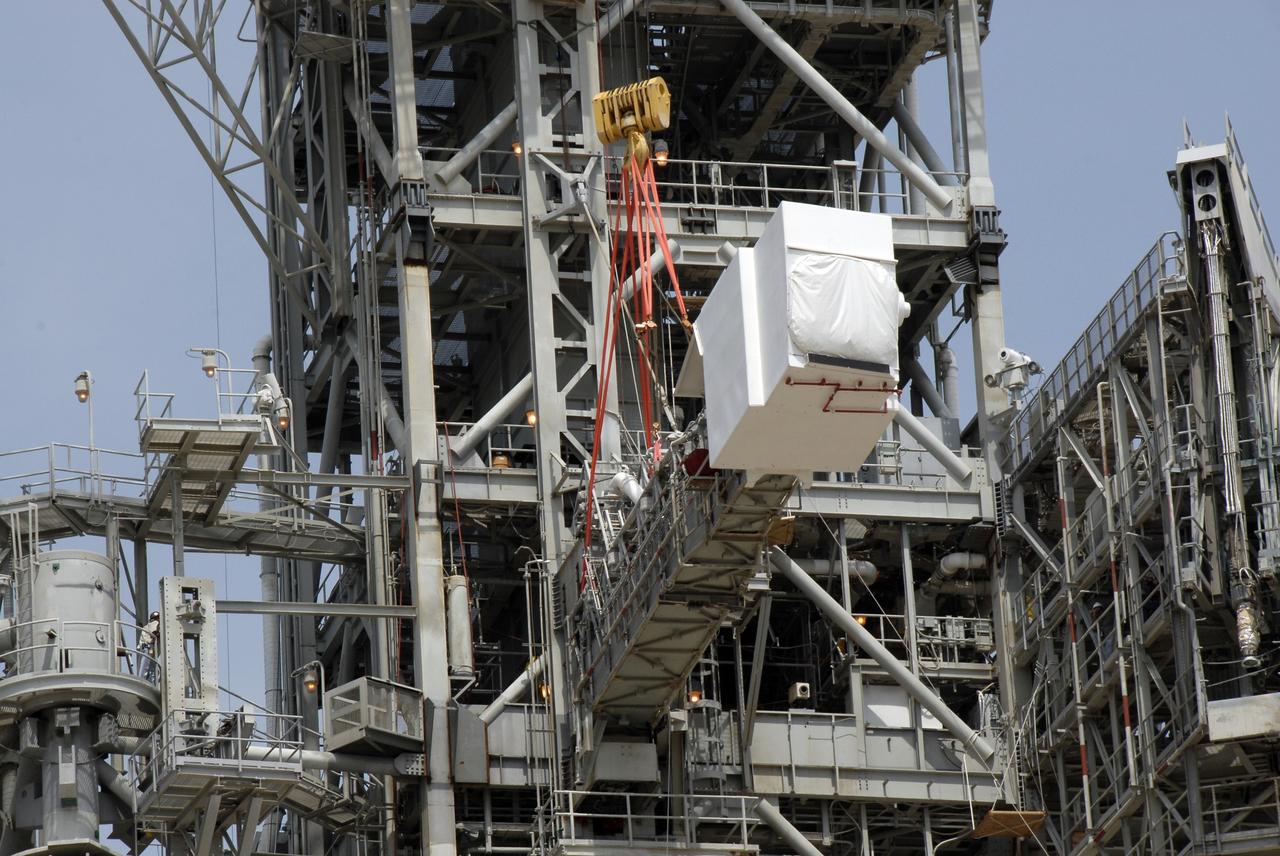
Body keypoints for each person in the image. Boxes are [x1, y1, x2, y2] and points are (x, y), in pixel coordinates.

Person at [139, 611, 160, 683]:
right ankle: (142, 683)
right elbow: (154, 633)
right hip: (149, 648)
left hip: (149, 648)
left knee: (150, 669)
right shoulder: (154, 624)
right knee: (146, 668)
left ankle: (148, 682)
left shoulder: (147, 626)